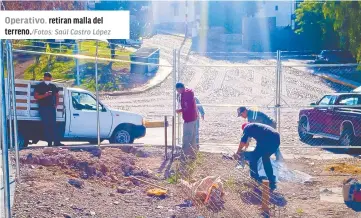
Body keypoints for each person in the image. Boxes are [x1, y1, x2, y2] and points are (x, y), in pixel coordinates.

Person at [234, 122, 280, 191]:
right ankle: (271, 181)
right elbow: (247, 141)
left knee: (253, 157)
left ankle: (254, 180)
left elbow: (243, 142)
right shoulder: (256, 127)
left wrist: (238, 152)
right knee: (265, 158)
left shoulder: (247, 128)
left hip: (268, 140)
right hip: (276, 138)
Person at [34, 72, 63, 147]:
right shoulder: (40, 86)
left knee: (53, 125)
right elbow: (36, 96)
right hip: (43, 107)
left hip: (51, 108)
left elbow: (57, 95)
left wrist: (56, 105)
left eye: (49, 79)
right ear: (44, 78)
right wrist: (45, 95)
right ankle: (49, 142)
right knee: (46, 125)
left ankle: (56, 142)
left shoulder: (53, 86)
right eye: (46, 79)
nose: (48, 80)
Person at [175, 83, 198, 159]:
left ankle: (183, 155)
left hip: (189, 119)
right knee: (192, 138)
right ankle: (193, 154)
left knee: (186, 137)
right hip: (194, 118)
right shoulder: (188, 92)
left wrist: (180, 110)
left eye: (177, 90)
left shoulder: (185, 95)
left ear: (180, 88)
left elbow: (186, 107)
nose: (177, 92)